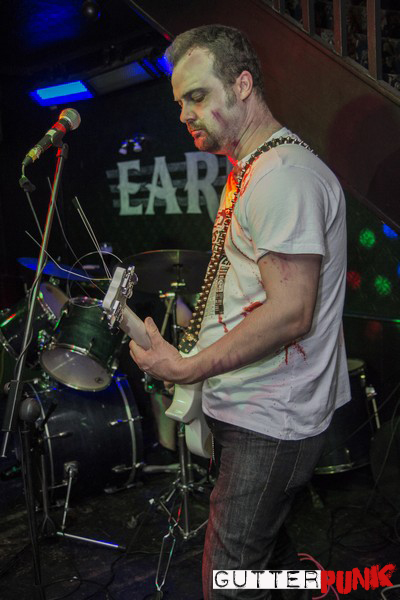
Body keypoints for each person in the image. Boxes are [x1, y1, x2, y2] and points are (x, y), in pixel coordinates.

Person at [129, 25, 350, 599]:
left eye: (198, 96)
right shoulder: (253, 168)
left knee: (228, 576)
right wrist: (187, 349)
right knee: (267, 557)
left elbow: (291, 313)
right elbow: (248, 296)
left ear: (243, 85)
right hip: (253, 409)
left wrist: (187, 368)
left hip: (270, 419)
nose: (185, 113)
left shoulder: (283, 177)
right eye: (180, 102)